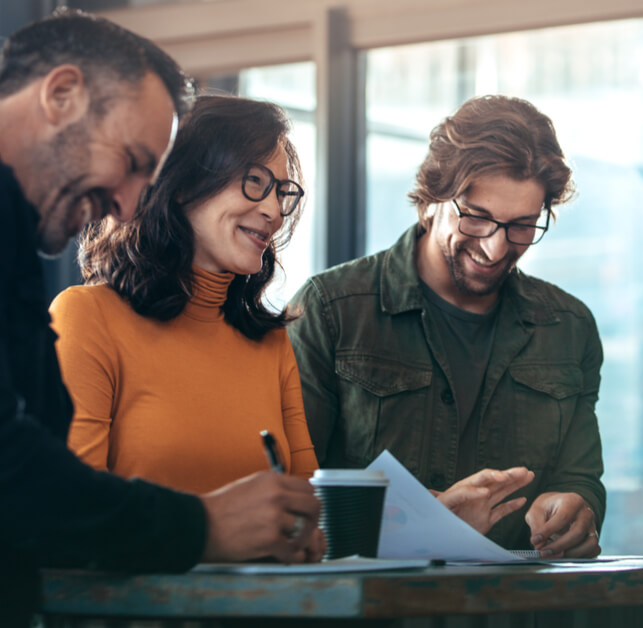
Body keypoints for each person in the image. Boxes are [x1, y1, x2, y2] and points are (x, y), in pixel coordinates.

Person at [0, 10, 322, 622]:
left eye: (283, 194)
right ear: (61, 94)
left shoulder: (15, 259)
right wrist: (202, 526)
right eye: (131, 159)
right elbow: (26, 483)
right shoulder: (81, 311)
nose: (126, 205)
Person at [289, 95, 605, 558]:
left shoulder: (568, 326)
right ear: (431, 199)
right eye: (477, 218)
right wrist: (416, 523)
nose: (496, 248)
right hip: (370, 614)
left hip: (517, 616)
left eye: (522, 226)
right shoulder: (331, 311)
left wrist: (573, 508)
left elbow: (579, 479)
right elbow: (289, 496)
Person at [49, 95, 319, 494]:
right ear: (182, 185)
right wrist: (211, 530)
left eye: (281, 192)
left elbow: (311, 509)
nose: (275, 212)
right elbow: (72, 506)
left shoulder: (270, 340)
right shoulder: (87, 318)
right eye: (256, 183)